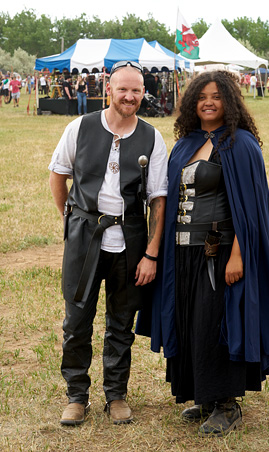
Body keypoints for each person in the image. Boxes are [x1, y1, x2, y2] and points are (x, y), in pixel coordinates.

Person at [136, 70, 269, 437]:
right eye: (202, 96)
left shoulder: (241, 145)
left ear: (230, 101)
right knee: (191, 322)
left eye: (216, 96)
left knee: (216, 325)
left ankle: (227, 403)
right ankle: (203, 396)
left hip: (219, 253)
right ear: (192, 103)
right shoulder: (185, 144)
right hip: (183, 254)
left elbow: (250, 210)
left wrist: (237, 255)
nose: (208, 102)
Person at [49, 61, 168, 426]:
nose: (130, 96)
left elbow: (158, 200)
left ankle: (116, 395)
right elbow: (58, 176)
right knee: (77, 318)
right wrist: (71, 221)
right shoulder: (80, 127)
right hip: (85, 237)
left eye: (136, 90)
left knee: (121, 321)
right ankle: (77, 396)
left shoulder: (152, 137)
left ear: (142, 93)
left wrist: (151, 253)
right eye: (123, 89)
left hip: (130, 240)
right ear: (109, 89)